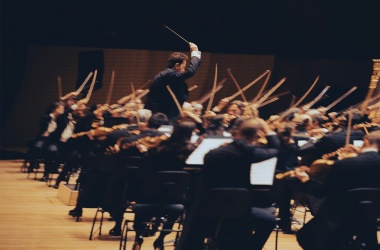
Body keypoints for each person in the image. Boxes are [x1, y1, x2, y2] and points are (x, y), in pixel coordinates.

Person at [177, 118, 280, 250]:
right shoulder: (250, 154)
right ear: (254, 136)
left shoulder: (211, 155)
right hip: (239, 213)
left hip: (203, 212)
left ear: (235, 132)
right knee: (269, 220)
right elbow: (276, 149)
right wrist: (267, 129)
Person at [294, 131, 380, 250]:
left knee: (305, 236)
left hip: (338, 218)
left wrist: (305, 179)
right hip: (370, 217)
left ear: (365, 141)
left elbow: (321, 191)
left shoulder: (343, 164)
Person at [144, 42, 201, 121]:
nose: (184, 70)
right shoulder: (169, 74)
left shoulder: (169, 75)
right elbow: (190, 72)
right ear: (177, 66)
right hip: (160, 117)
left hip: (165, 115)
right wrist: (195, 52)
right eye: (184, 67)